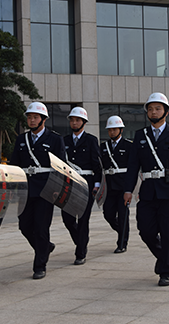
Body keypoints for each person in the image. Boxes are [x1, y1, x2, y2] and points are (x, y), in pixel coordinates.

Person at [123, 92, 169, 287]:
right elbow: (133, 165)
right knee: (145, 230)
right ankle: (164, 258)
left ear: (166, 112)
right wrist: (128, 189)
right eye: (150, 109)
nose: (154, 112)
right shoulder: (140, 135)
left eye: (158, 108)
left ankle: (166, 271)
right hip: (148, 191)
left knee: (168, 232)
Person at [10, 102, 66, 280]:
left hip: (46, 189)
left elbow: (61, 167)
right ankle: (45, 247)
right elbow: (14, 165)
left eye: (35, 117)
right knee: (24, 226)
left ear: (43, 119)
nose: (31, 120)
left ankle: (40, 265)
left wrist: (57, 190)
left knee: (41, 228)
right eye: (29, 117)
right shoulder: (21, 139)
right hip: (25, 189)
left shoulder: (55, 139)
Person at [62, 106, 102, 265]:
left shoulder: (91, 140)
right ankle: (81, 240)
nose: (74, 123)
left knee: (83, 219)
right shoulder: (64, 140)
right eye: (72, 120)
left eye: (77, 120)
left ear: (83, 122)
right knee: (67, 219)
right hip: (69, 184)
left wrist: (97, 184)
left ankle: (80, 252)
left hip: (86, 183)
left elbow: (97, 164)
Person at [100, 115, 132, 253]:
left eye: (115, 129)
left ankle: (122, 243)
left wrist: (130, 188)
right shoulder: (103, 146)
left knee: (123, 214)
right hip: (109, 186)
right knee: (108, 214)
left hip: (123, 185)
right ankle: (122, 231)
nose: (112, 132)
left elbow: (132, 168)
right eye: (110, 130)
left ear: (121, 130)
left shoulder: (129, 146)